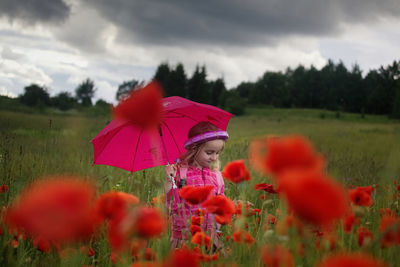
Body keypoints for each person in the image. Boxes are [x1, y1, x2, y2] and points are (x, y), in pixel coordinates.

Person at [164, 121, 229, 250]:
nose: (214, 157)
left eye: (217, 153)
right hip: (185, 236)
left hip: (209, 236)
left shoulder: (216, 176)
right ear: (194, 149)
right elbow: (173, 204)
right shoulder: (182, 174)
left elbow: (220, 202)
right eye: (209, 152)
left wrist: (218, 224)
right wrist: (168, 181)